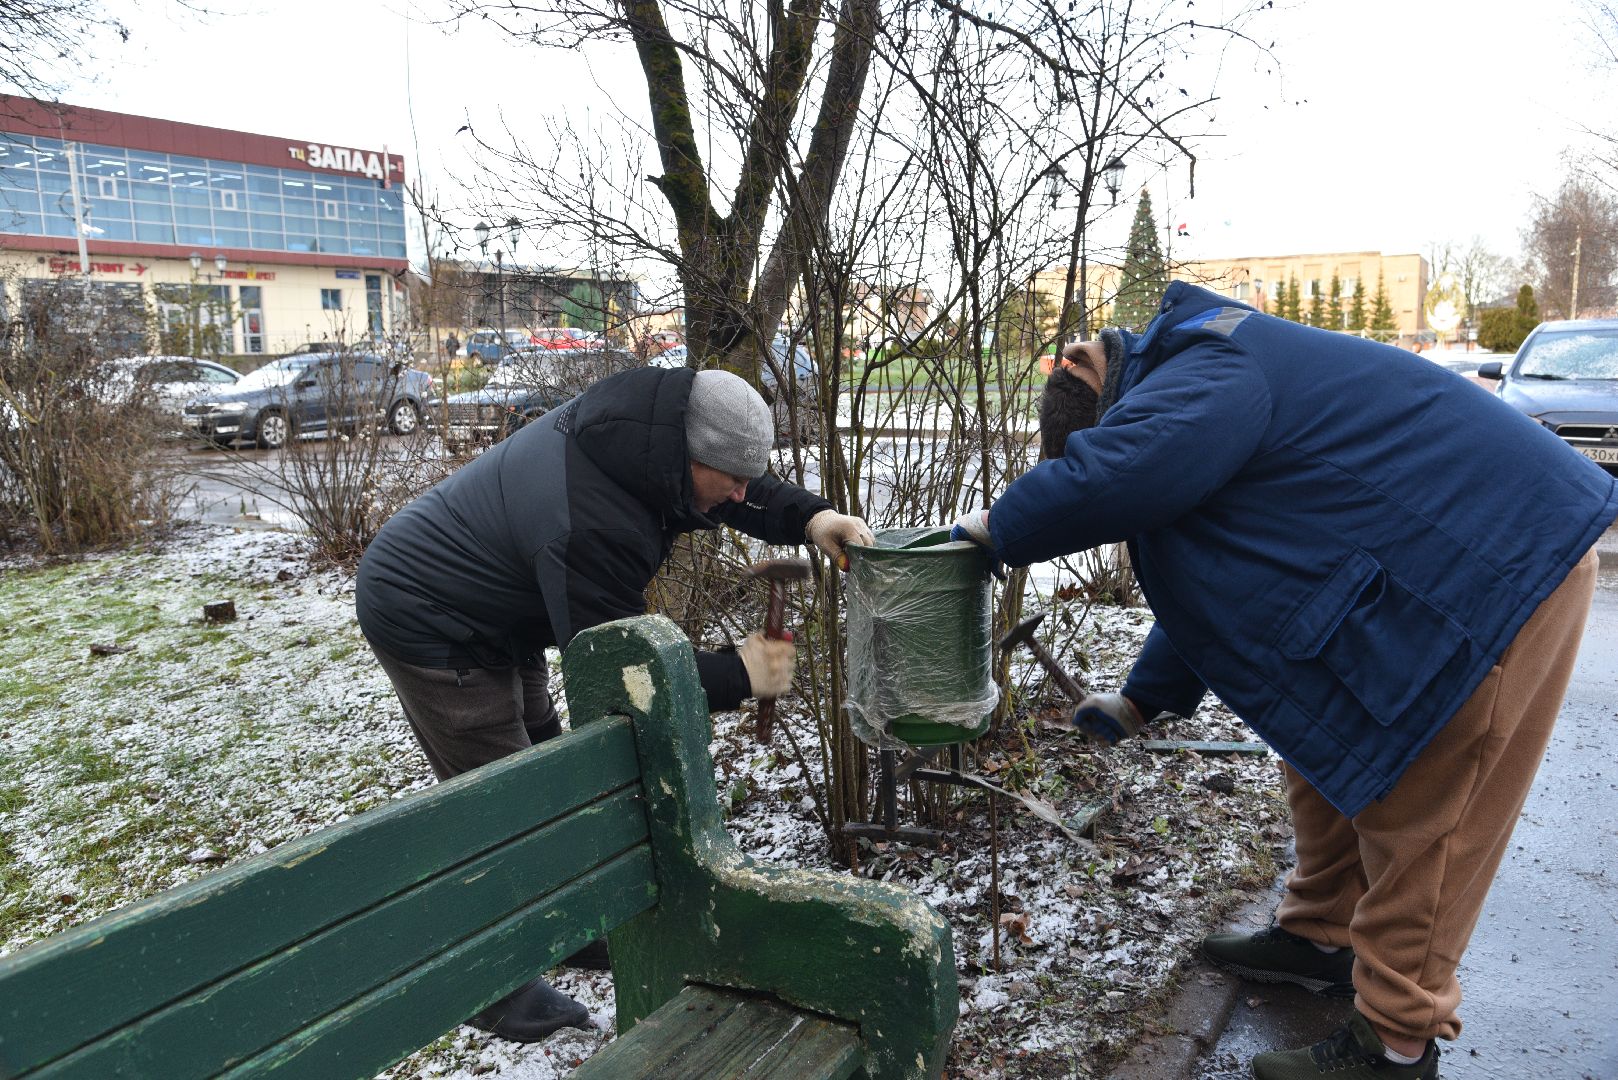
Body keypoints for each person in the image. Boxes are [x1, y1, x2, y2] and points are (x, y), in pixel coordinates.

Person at [952, 280, 1617, 1080]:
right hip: (1437, 559)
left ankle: (1396, 1040)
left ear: (1111, 407)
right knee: (1320, 746)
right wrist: (1141, 698)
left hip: (1502, 564)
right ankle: (1320, 935)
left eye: (1108, 442)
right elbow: (1207, 582)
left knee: (1427, 809)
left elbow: (1113, 480)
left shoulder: (1209, 366)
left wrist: (993, 528)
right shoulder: (1195, 386)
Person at [357, 365, 872, 1042]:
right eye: (732, 478)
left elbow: (736, 487)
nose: (742, 494)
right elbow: (630, 672)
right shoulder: (593, 520)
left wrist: (812, 517)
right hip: (428, 612)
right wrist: (742, 673)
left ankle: (571, 924)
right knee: (500, 801)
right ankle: (493, 983)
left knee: (552, 775)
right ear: (688, 457)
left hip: (505, 606)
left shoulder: (653, 444)